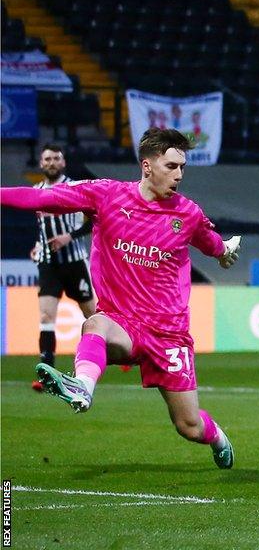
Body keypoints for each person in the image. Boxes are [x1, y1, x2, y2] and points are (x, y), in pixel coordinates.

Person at [0, 128, 243, 469]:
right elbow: (42, 199)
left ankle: (217, 436)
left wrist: (224, 252)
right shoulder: (107, 196)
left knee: (188, 426)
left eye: (182, 168)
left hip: (169, 334)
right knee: (94, 323)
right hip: (124, 324)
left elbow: (211, 242)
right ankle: (82, 387)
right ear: (147, 166)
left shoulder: (186, 213)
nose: (179, 175)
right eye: (171, 166)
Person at [28, 144, 98, 392]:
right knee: (46, 316)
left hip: (74, 262)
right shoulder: (36, 191)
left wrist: (70, 236)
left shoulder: (75, 188)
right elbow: (42, 229)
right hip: (48, 264)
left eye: (56, 158)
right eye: (47, 159)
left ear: (63, 162)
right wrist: (38, 245)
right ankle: (46, 370)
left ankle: (120, 352)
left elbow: (94, 220)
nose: (51, 163)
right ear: (41, 163)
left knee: (95, 316)